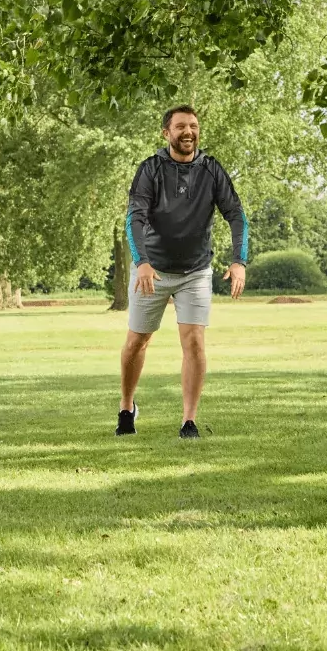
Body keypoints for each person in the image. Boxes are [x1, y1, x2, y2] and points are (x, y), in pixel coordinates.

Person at [117, 105, 248, 438]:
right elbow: (134, 218)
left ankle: (188, 421)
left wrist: (239, 261)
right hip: (153, 270)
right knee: (137, 342)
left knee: (194, 342)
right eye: (180, 127)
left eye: (193, 126)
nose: (188, 132)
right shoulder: (150, 169)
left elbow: (236, 214)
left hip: (196, 272)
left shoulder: (212, 170)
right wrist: (142, 262)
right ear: (167, 133)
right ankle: (127, 407)